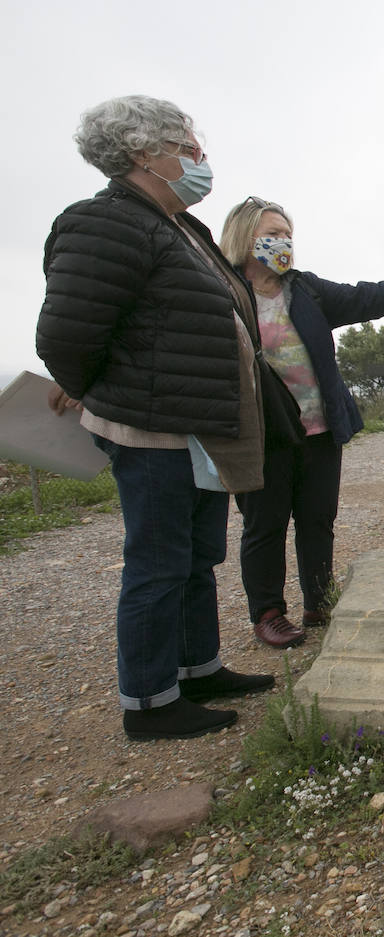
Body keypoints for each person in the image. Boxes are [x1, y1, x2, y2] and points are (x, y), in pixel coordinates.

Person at [36, 95, 276, 741]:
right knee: (158, 562)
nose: (200, 159)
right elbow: (66, 334)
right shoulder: (104, 222)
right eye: (189, 147)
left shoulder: (179, 225)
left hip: (194, 427)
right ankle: (148, 701)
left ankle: (197, 669)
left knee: (197, 557)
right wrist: (101, 394)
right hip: (152, 430)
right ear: (145, 153)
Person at [218, 196, 384, 648]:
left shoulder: (306, 290)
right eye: (271, 235)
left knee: (318, 518)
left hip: (319, 427)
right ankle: (269, 613)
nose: (283, 244)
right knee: (266, 525)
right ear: (243, 237)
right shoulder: (223, 293)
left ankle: (320, 600)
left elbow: (366, 297)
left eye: (287, 236)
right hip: (262, 433)